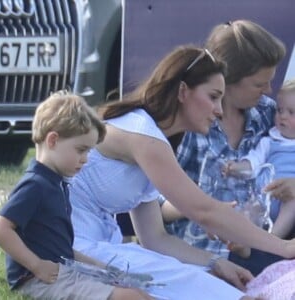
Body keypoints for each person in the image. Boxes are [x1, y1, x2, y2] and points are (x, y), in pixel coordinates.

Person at [69, 44, 295, 300]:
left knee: (215, 285)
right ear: (183, 91)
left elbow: (155, 238)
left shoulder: (154, 138)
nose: (219, 110)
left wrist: (213, 262)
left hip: (102, 248)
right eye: (213, 96)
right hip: (74, 251)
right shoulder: (143, 135)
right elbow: (205, 212)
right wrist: (284, 247)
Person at [0, 91, 152, 300]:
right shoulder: (35, 184)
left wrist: (100, 267)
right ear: (52, 140)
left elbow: (59, 248)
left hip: (63, 270)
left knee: (138, 291)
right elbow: (0, 228)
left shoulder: (57, 184)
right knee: (128, 297)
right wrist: (36, 265)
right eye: (81, 150)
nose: (85, 159)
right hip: (36, 279)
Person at [161, 19, 288, 275]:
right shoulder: (187, 124)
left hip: (261, 246)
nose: (269, 90)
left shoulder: (269, 113)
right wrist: (204, 204)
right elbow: (155, 209)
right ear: (228, 79)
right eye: (259, 84)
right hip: (198, 254)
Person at [225, 78, 295, 240]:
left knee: (293, 202)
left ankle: (273, 240)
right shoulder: (270, 141)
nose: (282, 116)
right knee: (249, 206)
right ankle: (243, 241)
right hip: (264, 196)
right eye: (279, 110)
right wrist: (237, 168)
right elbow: (253, 162)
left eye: (292, 112)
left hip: (289, 198)